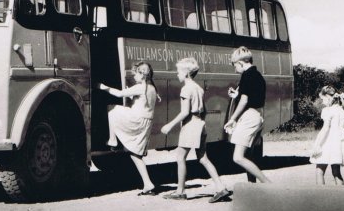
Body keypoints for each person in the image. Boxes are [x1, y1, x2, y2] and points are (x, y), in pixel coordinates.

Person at [160, 58, 231, 202]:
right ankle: (220, 187)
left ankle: (180, 191)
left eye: (178, 71)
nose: (177, 74)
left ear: (186, 73)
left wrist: (169, 125)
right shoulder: (198, 88)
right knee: (203, 158)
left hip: (191, 125)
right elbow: (203, 110)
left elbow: (185, 112)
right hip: (200, 124)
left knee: (180, 157)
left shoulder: (186, 89)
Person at [98, 62, 158, 195]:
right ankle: (148, 184)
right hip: (146, 122)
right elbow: (143, 102)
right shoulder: (152, 88)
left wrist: (103, 87)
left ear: (142, 75)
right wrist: (132, 96)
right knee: (135, 153)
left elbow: (119, 94)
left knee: (112, 109)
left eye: (136, 74)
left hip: (137, 119)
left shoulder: (140, 87)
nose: (134, 76)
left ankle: (112, 140)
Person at [223, 46, 271, 183]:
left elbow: (245, 101)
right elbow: (253, 97)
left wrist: (232, 119)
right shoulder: (257, 75)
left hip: (249, 117)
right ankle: (253, 186)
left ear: (240, 63)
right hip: (257, 115)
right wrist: (237, 94)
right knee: (248, 154)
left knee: (238, 157)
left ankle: (267, 184)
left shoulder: (246, 75)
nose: (235, 69)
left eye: (234, 66)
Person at [310, 85, 344, 185]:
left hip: (327, 144)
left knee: (319, 171)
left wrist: (318, 145)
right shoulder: (343, 112)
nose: (322, 102)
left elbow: (325, 129)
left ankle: (321, 196)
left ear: (328, 97)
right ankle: (341, 197)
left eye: (323, 99)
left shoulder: (327, 111)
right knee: (336, 172)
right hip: (338, 145)